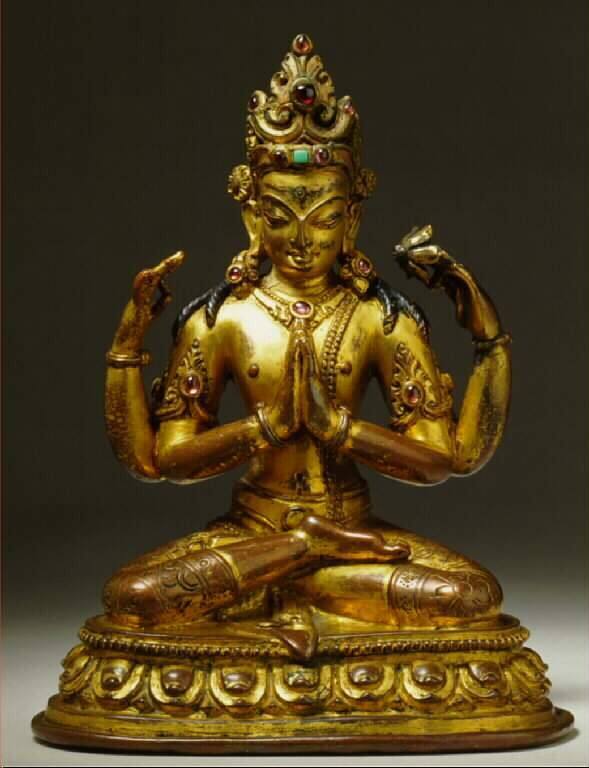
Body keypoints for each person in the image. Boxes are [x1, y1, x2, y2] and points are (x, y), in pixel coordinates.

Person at [102, 33, 511, 648]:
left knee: (472, 596)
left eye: (323, 219)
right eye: (279, 217)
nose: (300, 240)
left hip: (354, 530)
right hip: (252, 529)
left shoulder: (378, 318)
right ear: (251, 218)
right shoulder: (223, 319)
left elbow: (438, 460)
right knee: (132, 597)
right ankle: (301, 555)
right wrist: (264, 426)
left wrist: (337, 428)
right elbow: (164, 461)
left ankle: (284, 585)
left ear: (351, 220)